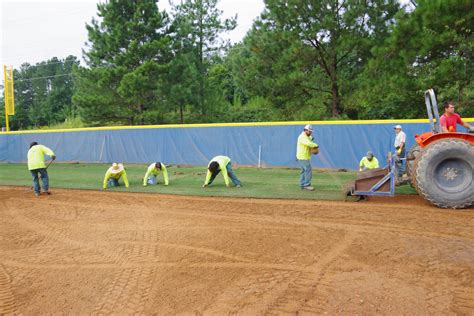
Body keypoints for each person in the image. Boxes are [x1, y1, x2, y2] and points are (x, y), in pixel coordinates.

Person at [296, 124, 319, 191]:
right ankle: (307, 185)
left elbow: (309, 138)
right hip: (303, 157)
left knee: (303, 171)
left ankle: (302, 185)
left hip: (303, 156)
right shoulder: (302, 137)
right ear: (305, 130)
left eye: (311, 131)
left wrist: (311, 138)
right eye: (309, 131)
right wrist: (316, 145)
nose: (310, 132)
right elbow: (308, 143)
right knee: (308, 170)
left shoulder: (306, 136)